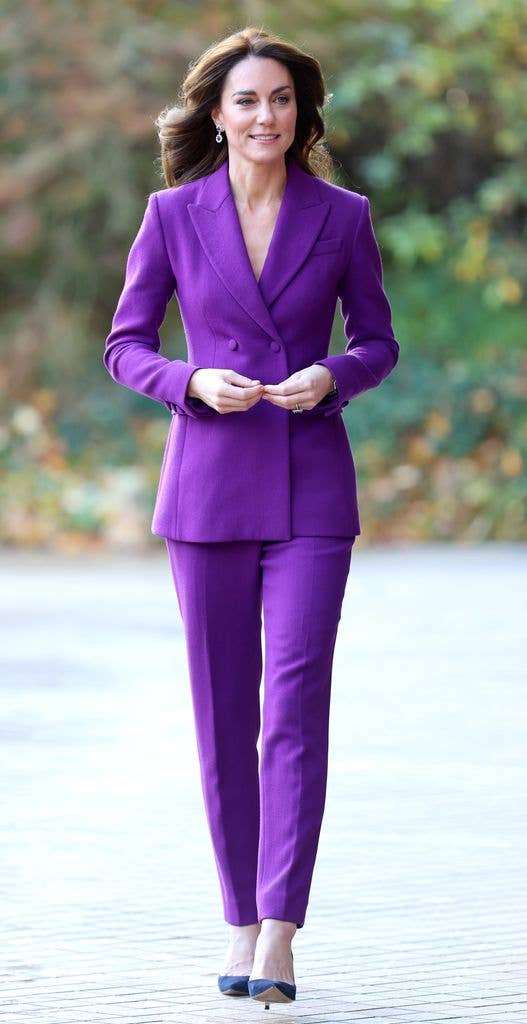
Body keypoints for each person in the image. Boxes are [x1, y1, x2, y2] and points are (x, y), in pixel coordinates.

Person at [103, 25, 400, 1008]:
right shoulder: (172, 214)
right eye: (246, 101)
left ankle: (278, 927)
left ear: (300, 113)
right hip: (209, 490)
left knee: (294, 702)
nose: (263, 115)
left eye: (279, 99)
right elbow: (126, 344)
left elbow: (377, 340)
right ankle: (238, 911)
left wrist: (331, 374)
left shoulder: (343, 215)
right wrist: (191, 381)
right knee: (224, 716)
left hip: (312, 484)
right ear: (217, 116)